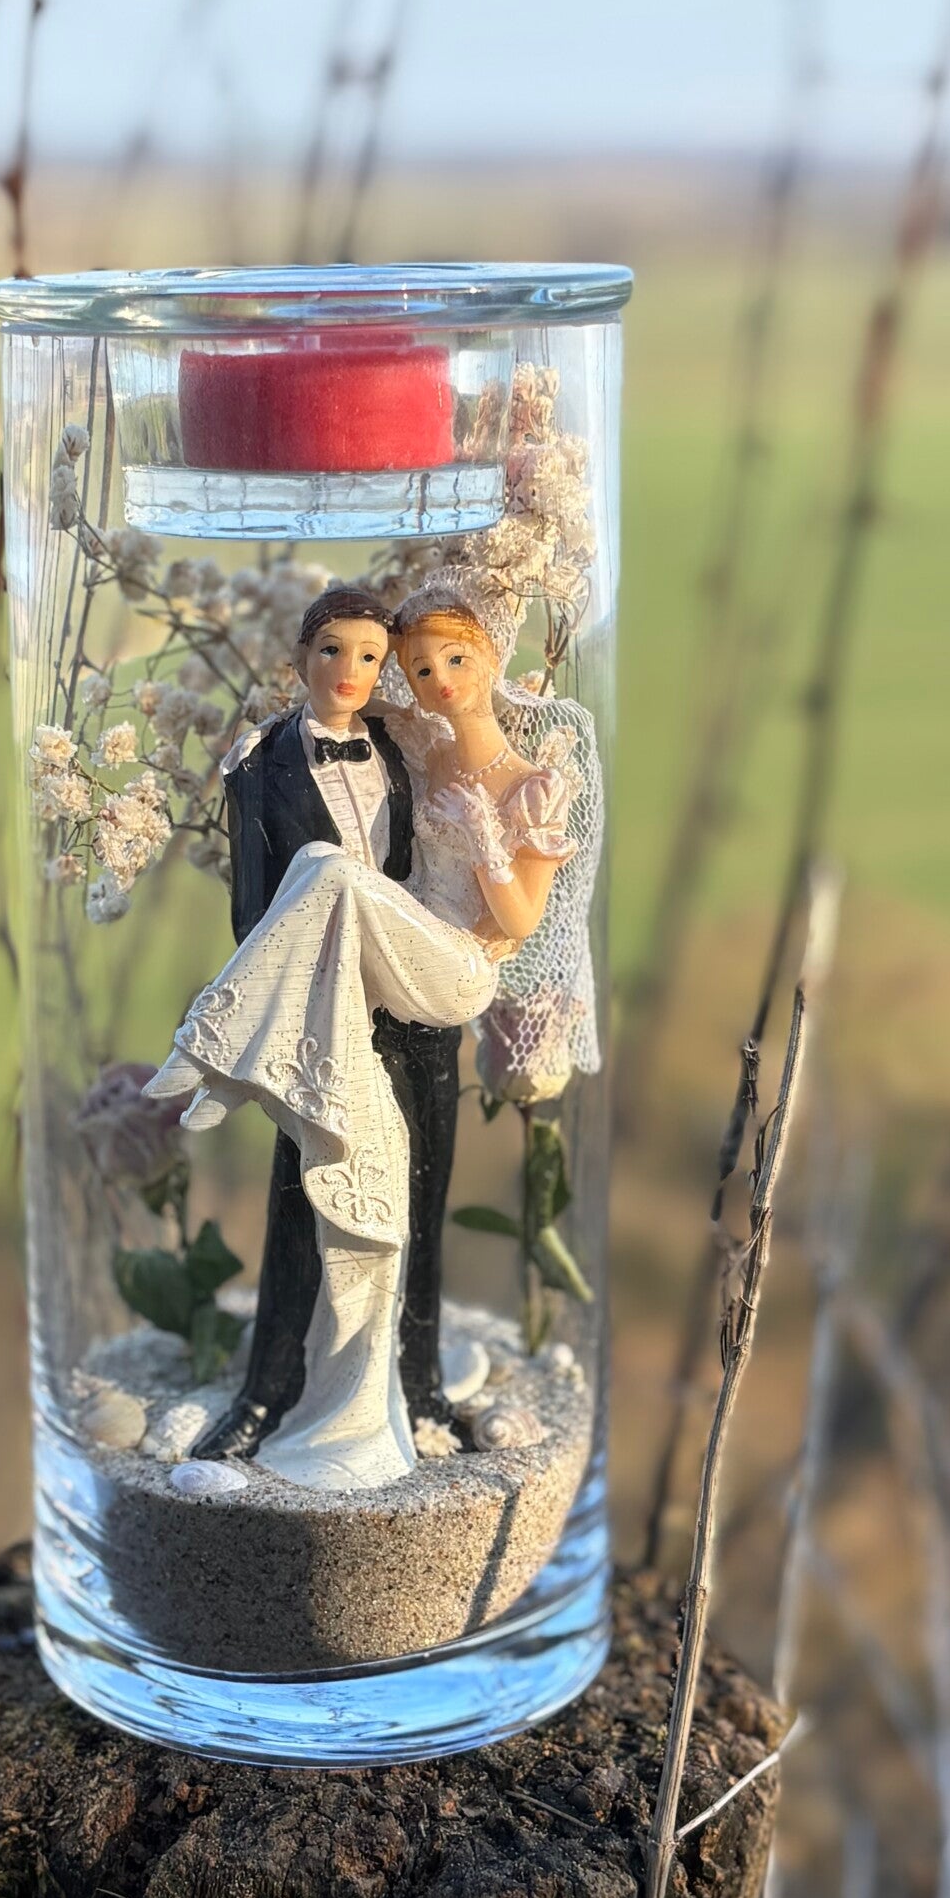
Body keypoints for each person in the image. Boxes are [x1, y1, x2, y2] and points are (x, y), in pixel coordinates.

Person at [144, 588, 578, 1493]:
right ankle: (269, 1391)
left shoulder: (462, 764)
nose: (362, 673)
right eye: (415, 665)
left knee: (420, 1195)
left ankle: (417, 1386)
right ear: (301, 657)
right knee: (305, 1193)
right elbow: (254, 909)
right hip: (327, 998)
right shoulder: (288, 759)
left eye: (377, 658)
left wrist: (485, 842)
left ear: (490, 659)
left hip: (438, 986)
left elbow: (517, 916)